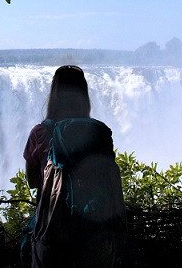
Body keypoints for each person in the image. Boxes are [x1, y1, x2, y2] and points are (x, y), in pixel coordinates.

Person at [23, 65, 126, 267]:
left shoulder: (40, 132)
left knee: (28, 243)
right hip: (95, 226)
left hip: (55, 228)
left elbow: (33, 182)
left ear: (54, 94)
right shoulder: (98, 132)